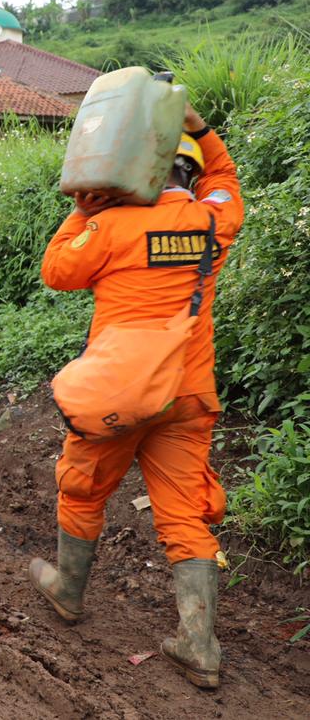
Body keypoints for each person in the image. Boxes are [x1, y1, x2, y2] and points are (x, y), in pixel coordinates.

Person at [31, 103, 242, 690]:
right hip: (188, 394)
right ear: (188, 175)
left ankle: (68, 591)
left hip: (119, 394)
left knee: (83, 487)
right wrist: (201, 128)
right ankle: (199, 644)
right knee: (185, 511)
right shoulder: (211, 221)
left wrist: (82, 210)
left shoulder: (111, 226)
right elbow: (225, 182)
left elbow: (56, 270)